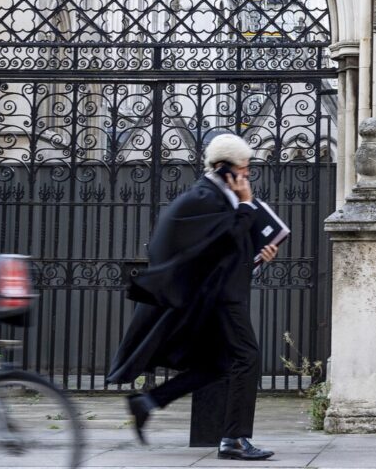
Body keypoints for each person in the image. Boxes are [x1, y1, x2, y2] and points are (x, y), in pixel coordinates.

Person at [107, 133, 278, 461]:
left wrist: (259, 257)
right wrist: (245, 205)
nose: (248, 176)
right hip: (221, 300)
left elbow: (224, 250)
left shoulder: (220, 197)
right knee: (248, 358)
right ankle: (234, 439)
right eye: (244, 169)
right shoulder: (204, 197)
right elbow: (222, 238)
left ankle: (147, 402)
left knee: (218, 365)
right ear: (226, 169)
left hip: (221, 295)